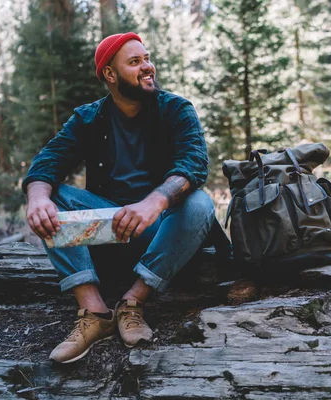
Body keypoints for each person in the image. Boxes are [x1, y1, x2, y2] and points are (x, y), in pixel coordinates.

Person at [22, 32, 215, 363]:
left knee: (200, 203)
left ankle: (133, 303)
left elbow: (194, 164)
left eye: (148, 58)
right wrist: (38, 198)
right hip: (110, 232)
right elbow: (47, 163)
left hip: (162, 233)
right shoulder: (88, 118)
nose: (147, 67)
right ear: (110, 75)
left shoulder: (176, 109)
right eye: (135, 62)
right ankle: (94, 311)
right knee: (54, 196)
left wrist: (153, 202)